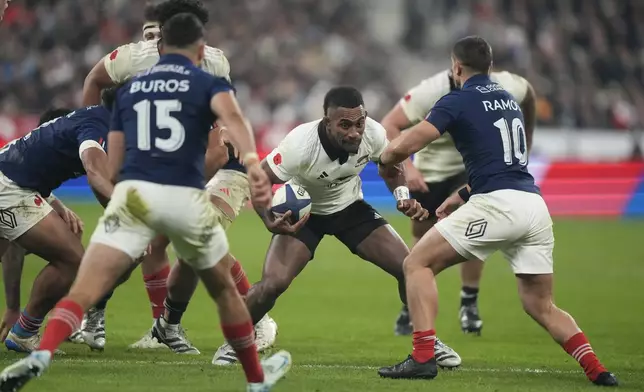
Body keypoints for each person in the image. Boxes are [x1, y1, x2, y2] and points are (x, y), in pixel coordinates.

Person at [0, 13, 291, 392]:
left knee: (86, 284)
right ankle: (255, 378)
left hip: (137, 195)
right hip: (185, 195)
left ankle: (41, 353)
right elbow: (233, 125)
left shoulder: (129, 93)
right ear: (200, 49)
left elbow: (116, 161)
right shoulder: (207, 82)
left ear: (159, 47)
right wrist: (253, 165)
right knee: (223, 289)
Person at [376, 36, 618, 387]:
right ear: (490, 66)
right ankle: (598, 370)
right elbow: (502, 163)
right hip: (533, 207)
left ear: (456, 67)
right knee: (540, 304)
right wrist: (461, 194)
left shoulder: (456, 100)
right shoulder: (509, 99)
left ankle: (423, 356)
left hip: (497, 205)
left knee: (416, 263)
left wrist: (384, 158)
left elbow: (410, 142)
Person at [212, 86, 462, 369]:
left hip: (350, 209)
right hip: (305, 214)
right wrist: (267, 216)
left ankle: (428, 343)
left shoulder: (374, 134)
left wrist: (402, 197)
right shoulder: (300, 143)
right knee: (272, 284)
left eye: (359, 123)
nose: (354, 132)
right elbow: (258, 179)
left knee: (409, 268)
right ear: (326, 121)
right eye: (344, 125)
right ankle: (236, 341)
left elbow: (390, 165)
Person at [77, 0, 277, 354]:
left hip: (224, 163)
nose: (155, 41)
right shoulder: (132, 59)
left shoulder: (212, 64)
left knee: (194, 239)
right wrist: (93, 130)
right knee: (154, 243)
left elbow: (218, 146)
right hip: (178, 166)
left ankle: (257, 319)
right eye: (151, 34)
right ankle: (164, 330)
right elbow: (94, 79)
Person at [382, 68, 537, 336]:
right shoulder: (429, 91)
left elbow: (529, 96)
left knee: (474, 225)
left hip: (470, 171)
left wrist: (527, 143)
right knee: (421, 235)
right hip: (429, 173)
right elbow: (390, 124)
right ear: (456, 70)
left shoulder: (504, 84)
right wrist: (409, 167)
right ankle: (411, 303)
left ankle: (469, 301)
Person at [0, 101, 114, 354]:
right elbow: (95, 172)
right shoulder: (97, 123)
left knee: (67, 239)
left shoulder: (81, 123)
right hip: (8, 190)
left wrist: (55, 204)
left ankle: (27, 327)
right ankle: (25, 330)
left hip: (12, 185)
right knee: (72, 260)